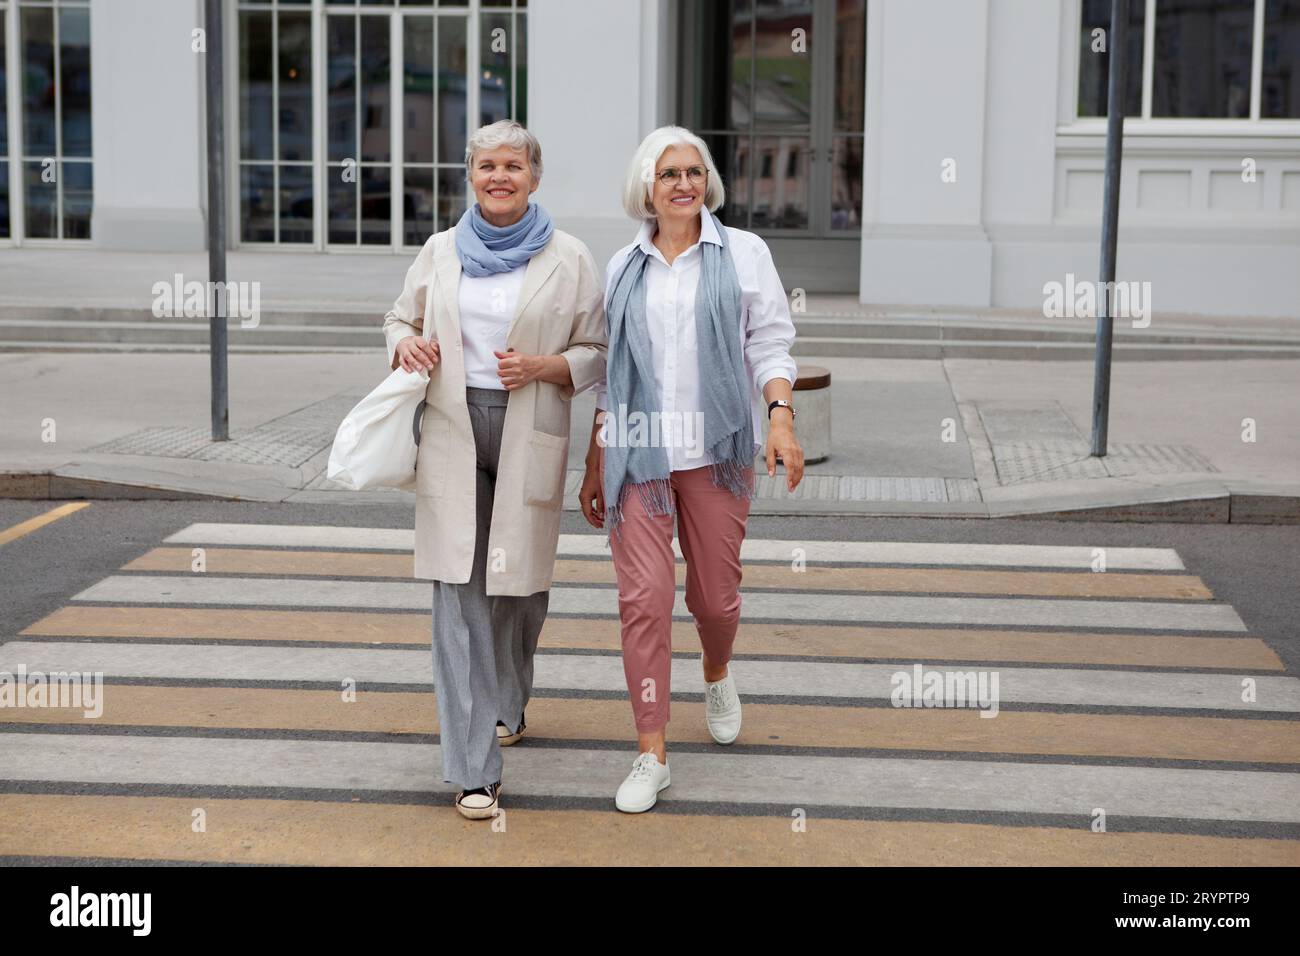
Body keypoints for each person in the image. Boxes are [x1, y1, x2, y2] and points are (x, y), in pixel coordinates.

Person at [382, 120, 606, 819]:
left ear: (534, 177)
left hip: (528, 426)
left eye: (513, 165)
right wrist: (407, 347)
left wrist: (546, 367)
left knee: (519, 589)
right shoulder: (441, 251)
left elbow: (597, 348)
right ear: (470, 177)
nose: (499, 176)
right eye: (486, 166)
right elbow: (398, 321)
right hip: (453, 427)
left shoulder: (569, 257)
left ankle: (510, 693)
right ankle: (474, 767)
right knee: (459, 589)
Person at [578, 126, 804, 813]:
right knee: (644, 602)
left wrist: (781, 417)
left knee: (712, 599)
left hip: (716, 450)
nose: (684, 184)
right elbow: (610, 373)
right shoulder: (622, 267)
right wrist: (596, 462)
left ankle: (716, 670)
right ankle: (651, 752)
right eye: (670, 173)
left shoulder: (743, 253)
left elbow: (769, 340)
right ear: (646, 186)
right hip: (639, 454)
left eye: (694, 172)